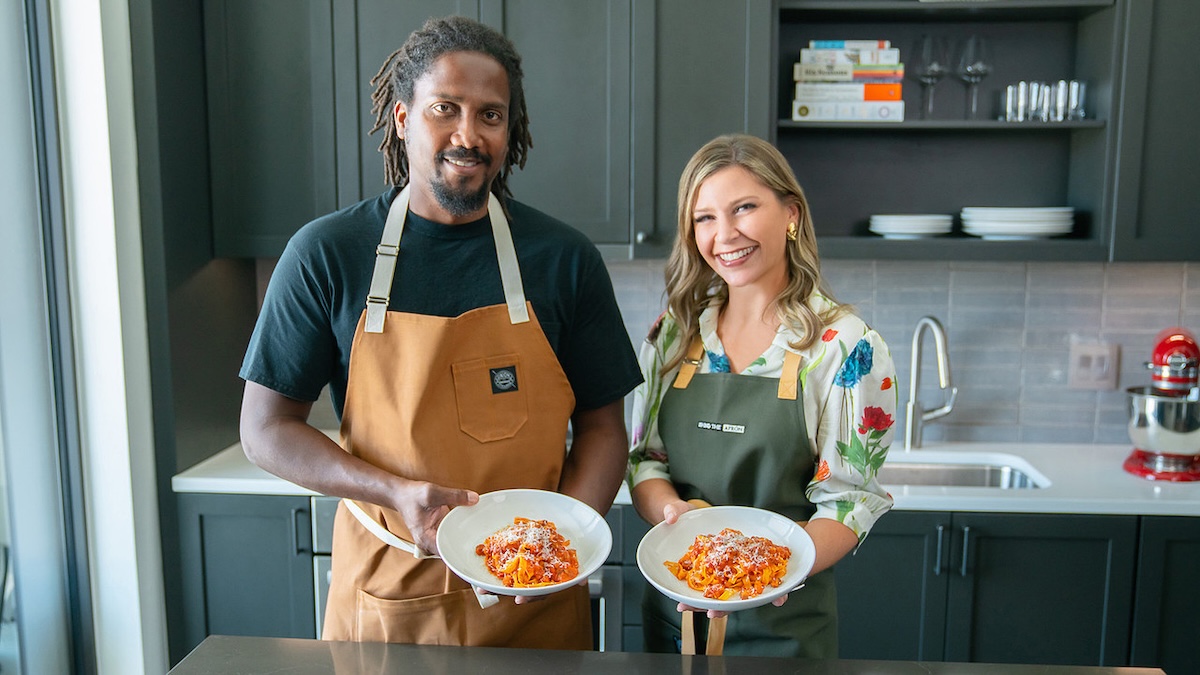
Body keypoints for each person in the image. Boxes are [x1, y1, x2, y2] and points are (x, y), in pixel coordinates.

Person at [239, 16, 642, 649]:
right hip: (389, 598)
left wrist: (562, 541)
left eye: (490, 115)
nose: (468, 135)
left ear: (510, 129)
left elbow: (603, 428)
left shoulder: (564, 260)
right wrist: (391, 491)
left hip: (534, 601)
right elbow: (264, 429)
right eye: (444, 109)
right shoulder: (327, 254)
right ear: (403, 119)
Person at [627, 133, 896, 658]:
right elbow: (645, 461)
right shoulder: (674, 334)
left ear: (791, 213)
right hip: (675, 615)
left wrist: (767, 568)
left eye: (744, 208)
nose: (725, 234)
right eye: (705, 218)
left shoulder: (844, 346)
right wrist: (674, 514)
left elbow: (850, 501)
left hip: (782, 627)